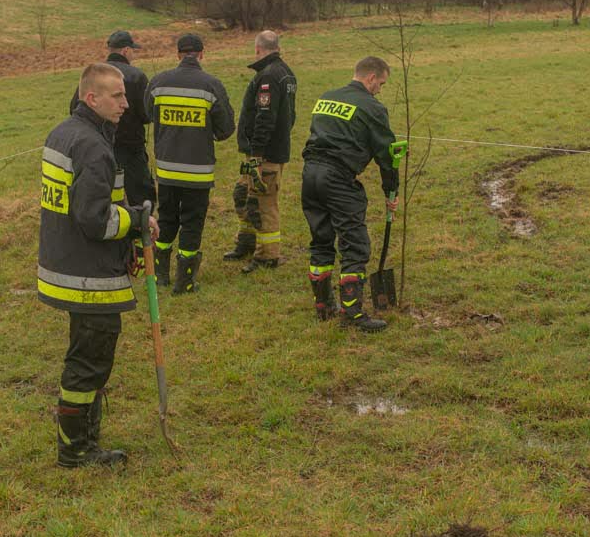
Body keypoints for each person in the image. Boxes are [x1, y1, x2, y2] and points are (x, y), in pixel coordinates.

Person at [40, 62, 159, 468]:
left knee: (85, 357)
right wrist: (136, 221)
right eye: (118, 96)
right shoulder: (92, 146)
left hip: (66, 264)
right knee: (89, 362)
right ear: (92, 97)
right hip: (87, 276)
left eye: (125, 94)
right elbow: (92, 219)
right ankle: (76, 450)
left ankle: (83, 437)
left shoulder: (65, 131)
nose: (127, 104)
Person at [299, 56, 404, 332]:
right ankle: (354, 313)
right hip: (337, 179)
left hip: (309, 175)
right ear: (370, 78)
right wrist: (391, 191)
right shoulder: (373, 107)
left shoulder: (326, 97)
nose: (380, 89)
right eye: (380, 83)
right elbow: (387, 155)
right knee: (354, 243)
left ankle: (322, 306)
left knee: (321, 240)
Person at [144, 33, 236, 293]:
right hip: (198, 172)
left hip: (167, 170)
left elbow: (148, 114)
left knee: (168, 218)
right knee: (193, 223)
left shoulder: (158, 83)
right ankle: (184, 281)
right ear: (202, 54)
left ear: (178, 54)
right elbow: (226, 128)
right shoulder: (211, 85)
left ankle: (161, 275)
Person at [226, 30, 298, 273]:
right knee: (243, 194)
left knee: (262, 203)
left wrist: (257, 153)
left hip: (263, 155)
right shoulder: (285, 73)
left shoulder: (269, 76)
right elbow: (291, 117)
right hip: (255, 154)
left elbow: (265, 118)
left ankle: (267, 255)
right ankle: (246, 241)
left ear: (258, 49)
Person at [69, 30, 153, 206]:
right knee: (140, 193)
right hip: (131, 147)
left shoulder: (94, 76)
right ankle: (141, 224)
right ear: (125, 51)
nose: (134, 55)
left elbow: (74, 107)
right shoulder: (137, 76)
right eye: (133, 51)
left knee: (104, 190)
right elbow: (146, 115)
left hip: (99, 143)